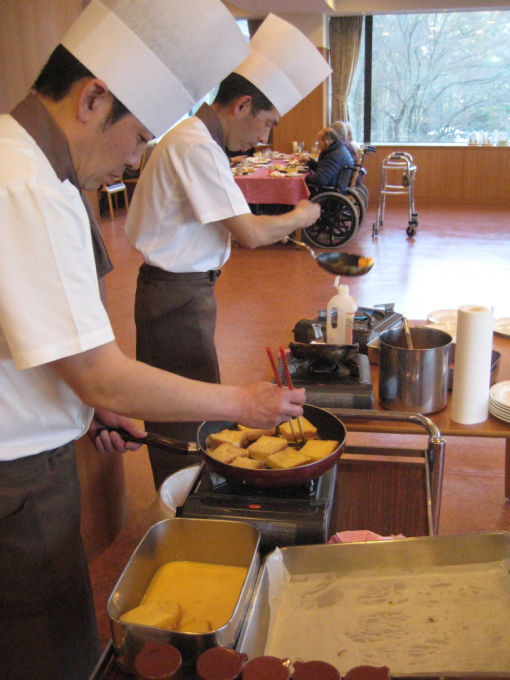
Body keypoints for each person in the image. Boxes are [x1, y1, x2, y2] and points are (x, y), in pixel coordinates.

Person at [0, 3, 306, 679]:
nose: (137, 156)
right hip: (17, 480)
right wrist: (243, 403)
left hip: (27, 453)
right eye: (137, 135)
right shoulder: (27, 186)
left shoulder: (17, 159)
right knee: (51, 655)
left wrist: (87, 406)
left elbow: (44, 345)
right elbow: (103, 374)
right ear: (93, 98)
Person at [125, 13, 331, 489]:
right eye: (267, 123)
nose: (264, 137)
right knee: (181, 407)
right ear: (241, 106)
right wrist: (301, 215)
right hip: (174, 296)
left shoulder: (201, 143)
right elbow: (250, 233)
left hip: (184, 293)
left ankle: (191, 489)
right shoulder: (194, 144)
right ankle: (182, 497)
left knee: (192, 399)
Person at [305, 127, 354, 193]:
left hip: (329, 194)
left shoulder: (334, 155)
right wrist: (310, 163)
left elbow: (320, 180)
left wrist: (304, 178)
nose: (318, 145)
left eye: (318, 142)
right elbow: (325, 170)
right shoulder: (338, 150)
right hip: (335, 187)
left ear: (326, 141)